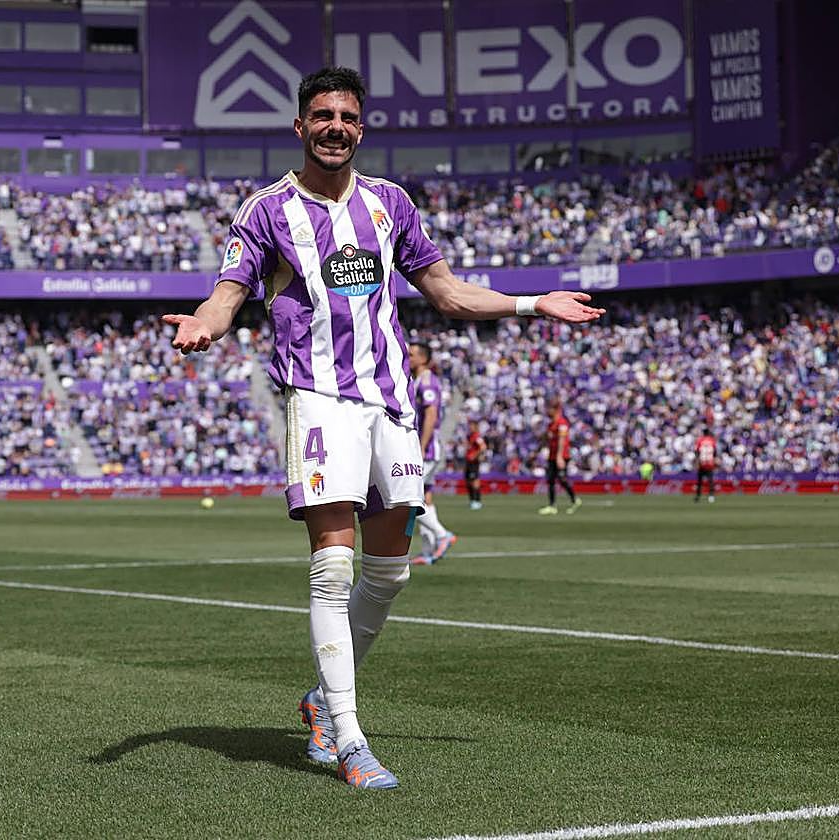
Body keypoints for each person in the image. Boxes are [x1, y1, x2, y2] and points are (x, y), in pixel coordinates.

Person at [161, 66, 603, 789]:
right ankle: (349, 737)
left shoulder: (391, 204)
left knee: (390, 571)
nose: (335, 127)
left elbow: (449, 293)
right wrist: (205, 326)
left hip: (390, 402)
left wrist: (532, 304)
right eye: (322, 115)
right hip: (321, 397)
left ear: (360, 128)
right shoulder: (267, 210)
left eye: (347, 117)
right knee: (334, 565)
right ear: (300, 127)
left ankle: (317, 704)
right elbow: (229, 292)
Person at [407, 342, 456, 565]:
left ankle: (441, 534)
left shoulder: (426, 381)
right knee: (425, 497)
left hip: (426, 449)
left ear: (424, 359)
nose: (408, 357)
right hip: (425, 447)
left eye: (412, 355)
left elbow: (431, 414)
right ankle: (428, 550)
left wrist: (421, 444)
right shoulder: (418, 379)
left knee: (409, 497)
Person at [538, 397, 581, 515]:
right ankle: (552, 505)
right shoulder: (551, 424)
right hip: (552, 456)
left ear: (555, 409)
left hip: (561, 456)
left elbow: (562, 440)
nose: (547, 411)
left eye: (549, 408)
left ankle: (574, 499)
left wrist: (559, 456)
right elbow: (547, 439)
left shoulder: (562, 423)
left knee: (562, 479)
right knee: (551, 480)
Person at [464, 419, 486, 510]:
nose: (470, 427)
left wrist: (475, 455)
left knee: (475, 481)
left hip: (474, 462)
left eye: (472, 426)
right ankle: (472, 500)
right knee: (468, 481)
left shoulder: (477, 436)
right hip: (468, 461)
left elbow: (483, 447)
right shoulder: (470, 436)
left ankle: (477, 501)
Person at [694, 427, 717, 503]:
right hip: (710, 463)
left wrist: (697, 461)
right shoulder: (712, 440)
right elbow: (715, 452)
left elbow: (697, 451)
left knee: (700, 481)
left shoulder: (700, 440)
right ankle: (711, 496)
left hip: (702, 462)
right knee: (710, 481)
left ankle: (698, 496)